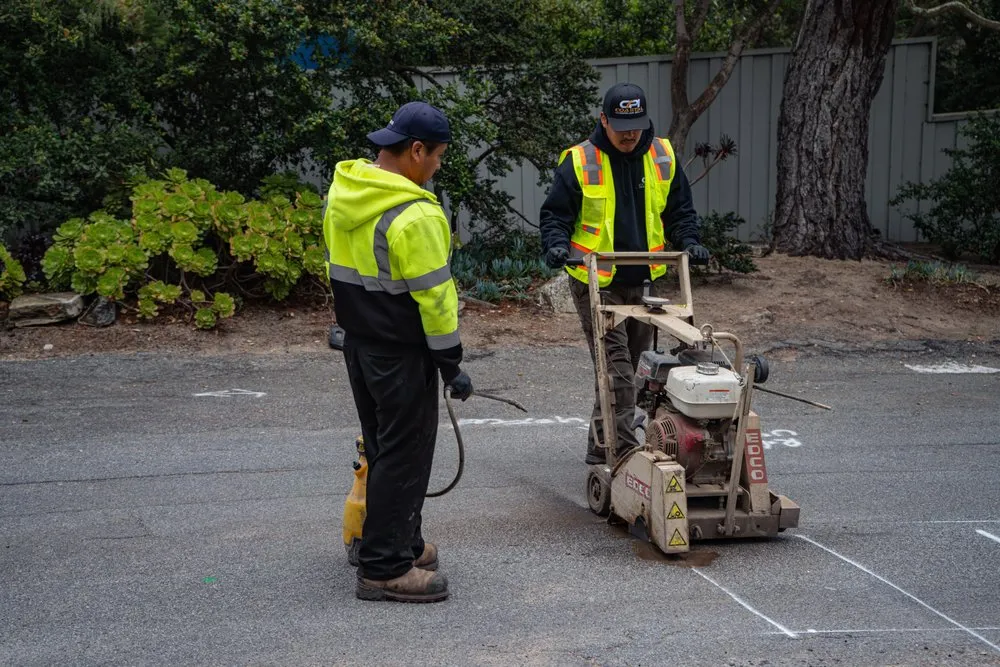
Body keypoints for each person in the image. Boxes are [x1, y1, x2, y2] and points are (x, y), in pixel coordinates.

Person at [323, 101, 473, 603]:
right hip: (400, 353)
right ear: (415, 150)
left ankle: (398, 541)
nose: (437, 166)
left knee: (384, 447)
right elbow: (435, 298)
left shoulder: (346, 193)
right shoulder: (414, 214)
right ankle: (384, 568)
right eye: (437, 156)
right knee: (404, 457)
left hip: (360, 344)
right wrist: (451, 363)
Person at [539, 82, 710, 465]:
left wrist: (690, 241)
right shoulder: (580, 160)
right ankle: (622, 457)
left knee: (634, 370)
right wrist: (555, 245)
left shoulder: (662, 155)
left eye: (635, 125)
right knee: (615, 370)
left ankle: (600, 448)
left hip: (644, 282)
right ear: (604, 120)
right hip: (596, 283)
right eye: (620, 126)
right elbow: (555, 215)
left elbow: (680, 211)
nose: (630, 134)